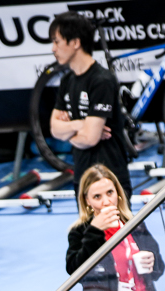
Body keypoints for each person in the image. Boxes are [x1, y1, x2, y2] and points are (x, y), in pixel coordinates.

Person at [48, 13, 132, 196]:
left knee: (119, 226)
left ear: (75, 43)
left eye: (57, 41)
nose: (53, 48)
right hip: (82, 177)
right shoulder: (67, 81)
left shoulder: (101, 80)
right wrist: (80, 125)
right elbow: (54, 129)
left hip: (110, 179)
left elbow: (89, 139)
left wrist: (67, 131)